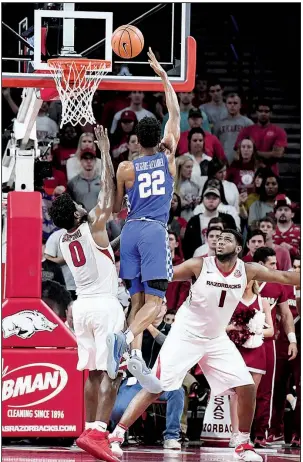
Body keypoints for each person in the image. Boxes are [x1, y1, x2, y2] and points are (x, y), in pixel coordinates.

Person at [108, 229, 300, 462]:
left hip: (216, 338)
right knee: (156, 385)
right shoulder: (198, 265)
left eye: (227, 239)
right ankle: (116, 435)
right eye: (218, 239)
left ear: (239, 249)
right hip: (186, 334)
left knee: (247, 385)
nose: (220, 242)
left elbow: (286, 278)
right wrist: (135, 268)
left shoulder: (248, 270)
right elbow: (165, 275)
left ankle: (242, 443)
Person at [49, 126, 124, 462]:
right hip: (106, 306)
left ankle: (87, 429)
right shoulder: (92, 225)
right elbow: (109, 193)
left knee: (92, 372)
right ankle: (99, 434)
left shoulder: (65, 241)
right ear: (78, 213)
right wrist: (106, 152)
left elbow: (104, 252)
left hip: (83, 307)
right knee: (113, 372)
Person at [107, 48, 180, 394]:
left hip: (130, 228)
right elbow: (175, 113)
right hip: (153, 230)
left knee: (136, 299)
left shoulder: (126, 167)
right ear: (161, 139)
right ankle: (123, 339)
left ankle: (134, 361)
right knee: (158, 303)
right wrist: (163, 77)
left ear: (136, 139)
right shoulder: (168, 158)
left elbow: (116, 206)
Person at [252, 247, 297, 448]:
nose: (276, 267)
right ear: (261, 265)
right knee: (241, 388)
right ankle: (237, 431)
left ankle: (261, 432)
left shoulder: (277, 284)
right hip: (240, 340)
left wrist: (292, 339)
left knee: (266, 390)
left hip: (267, 341)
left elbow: (286, 315)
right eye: (272, 264)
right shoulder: (243, 281)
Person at [227, 280, 274, 448]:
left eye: (249, 278)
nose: (246, 282)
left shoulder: (262, 301)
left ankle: (245, 435)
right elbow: (222, 326)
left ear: (255, 280)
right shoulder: (231, 299)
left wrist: (255, 329)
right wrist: (236, 328)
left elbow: (271, 331)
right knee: (235, 393)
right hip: (236, 350)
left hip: (256, 351)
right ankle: (235, 433)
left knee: (250, 395)